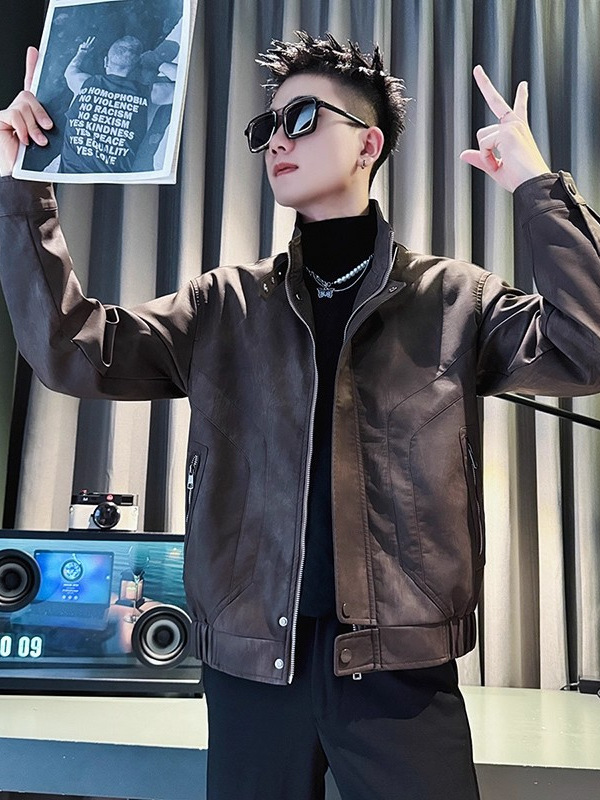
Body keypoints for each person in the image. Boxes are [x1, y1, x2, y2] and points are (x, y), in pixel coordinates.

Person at [1, 31, 600, 800]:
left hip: (401, 677)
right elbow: (71, 351)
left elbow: (585, 347)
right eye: (267, 127)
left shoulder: (456, 301)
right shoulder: (223, 305)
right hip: (251, 673)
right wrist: (23, 187)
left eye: (303, 118)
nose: (277, 140)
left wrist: (536, 186)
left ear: (369, 144)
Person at [59, 33, 174, 173]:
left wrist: (81, 53)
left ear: (105, 62)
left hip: (70, 175)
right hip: (115, 182)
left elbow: (70, 71)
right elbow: (187, 86)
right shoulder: (151, 93)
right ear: (138, 66)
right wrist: (159, 63)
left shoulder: (84, 83)